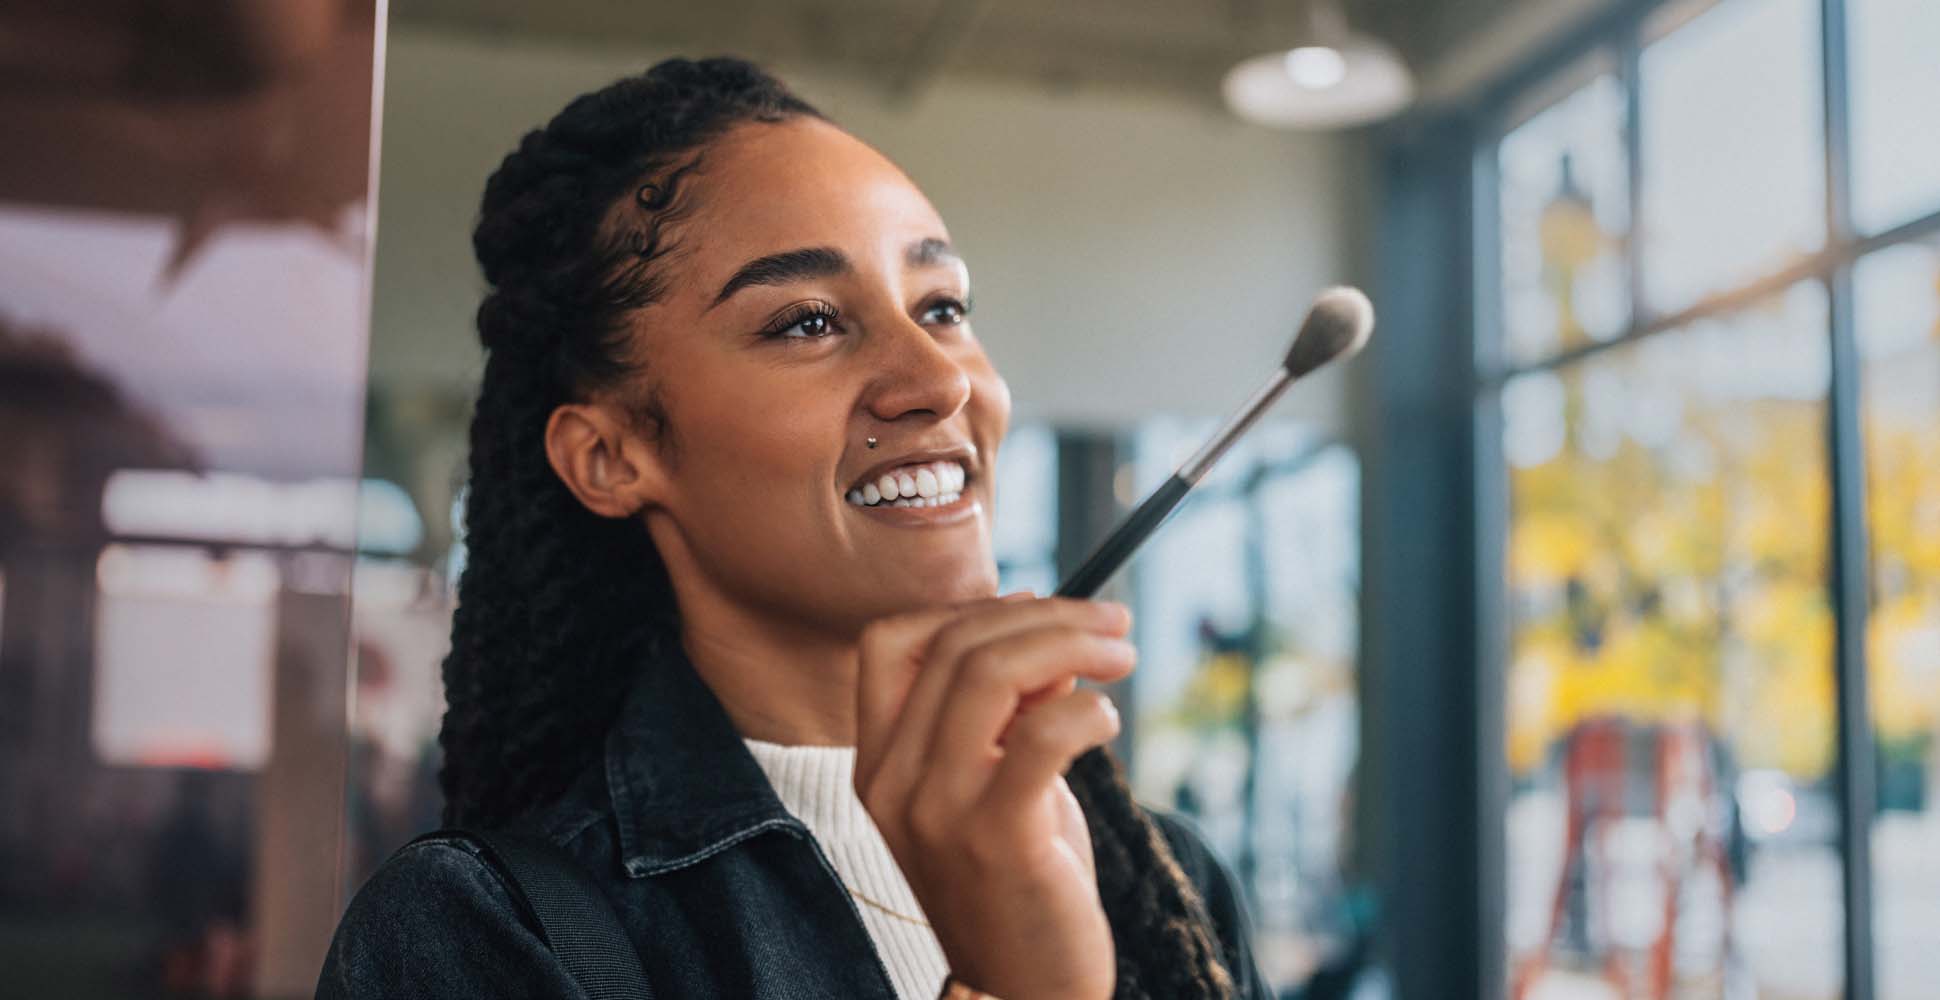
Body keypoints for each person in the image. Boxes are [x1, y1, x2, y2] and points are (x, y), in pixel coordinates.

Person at [317, 57, 1269, 1000]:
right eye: (808, 322)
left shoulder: (1172, 883)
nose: (938, 380)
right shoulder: (478, 933)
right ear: (610, 457)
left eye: (942, 307)